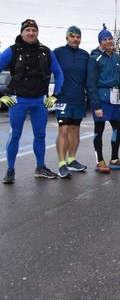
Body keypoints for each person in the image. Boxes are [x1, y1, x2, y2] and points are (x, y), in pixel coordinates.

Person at [0, 19, 64, 184]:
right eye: (27, 30)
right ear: (22, 32)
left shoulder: (46, 52)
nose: (31, 33)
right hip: (18, 101)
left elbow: (59, 73)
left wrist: (55, 94)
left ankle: (40, 167)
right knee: (15, 135)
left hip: (39, 101)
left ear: (37, 32)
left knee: (40, 135)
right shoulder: (12, 51)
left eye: (34, 30)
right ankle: (10, 170)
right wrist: (1, 95)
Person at [87, 24, 120, 173]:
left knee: (118, 126)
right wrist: (96, 105)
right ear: (100, 42)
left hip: (114, 99)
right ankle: (100, 161)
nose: (108, 41)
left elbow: (119, 79)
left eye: (110, 38)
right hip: (101, 98)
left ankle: (114, 159)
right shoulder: (95, 58)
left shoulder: (116, 57)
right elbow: (90, 83)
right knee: (100, 128)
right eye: (105, 39)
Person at [53, 26, 90, 178]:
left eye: (78, 36)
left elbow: (89, 77)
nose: (75, 39)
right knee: (64, 129)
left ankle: (71, 160)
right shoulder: (58, 52)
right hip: (63, 98)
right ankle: (61, 164)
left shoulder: (85, 55)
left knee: (75, 129)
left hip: (79, 99)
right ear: (67, 37)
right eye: (72, 36)